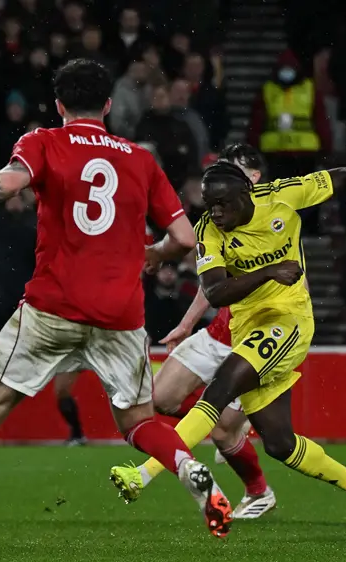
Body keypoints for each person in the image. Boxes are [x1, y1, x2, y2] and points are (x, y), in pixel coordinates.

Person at [0, 59, 233, 562]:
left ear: (59, 104)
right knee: (138, 421)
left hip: (54, 306)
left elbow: (5, 185)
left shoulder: (44, 141)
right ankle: (186, 467)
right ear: (108, 105)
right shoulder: (140, 159)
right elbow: (181, 238)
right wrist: (152, 255)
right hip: (120, 314)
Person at [111, 160, 346, 534]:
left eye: (223, 203)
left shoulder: (281, 197)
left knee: (220, 389)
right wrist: (268, 271)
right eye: (210, 204)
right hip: (247, 327)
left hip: (289, 319)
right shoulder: (208, 230)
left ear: (246, 194)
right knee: (280, 444)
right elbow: (215, 291)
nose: (216, 212)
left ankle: (143, 475)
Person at [133, 144, 277, 520]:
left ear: (254, 178)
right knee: (160, 398)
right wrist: (185, 324)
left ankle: (259, 492)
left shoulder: (278, 218)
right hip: (218, 332)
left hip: (253, 342)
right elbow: (212, 283)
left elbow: (300, 289)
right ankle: (224, 413)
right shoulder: (220, 218)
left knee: (223, 433)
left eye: (232, 170)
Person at [54, 371, 86, 446]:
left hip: (70, 363)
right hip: (61, 364)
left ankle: (78, 435)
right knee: (61, 392)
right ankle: (78, 435)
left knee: (62, 390)